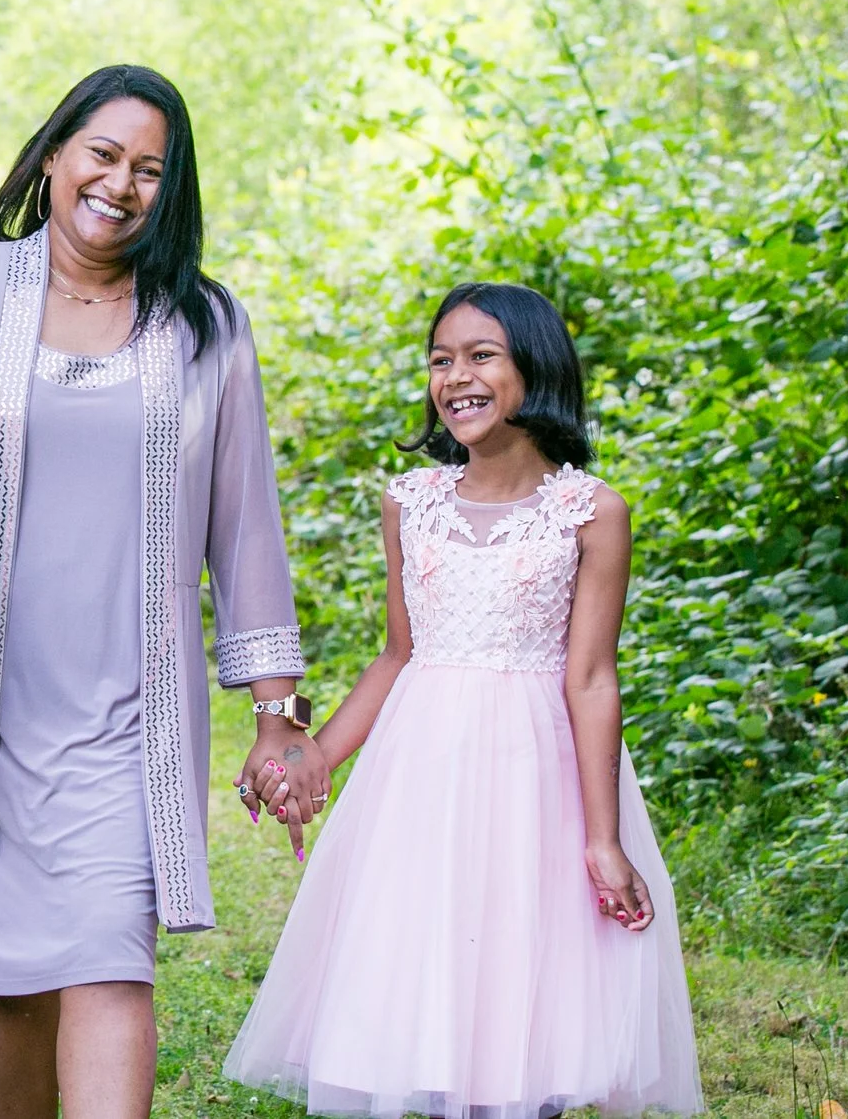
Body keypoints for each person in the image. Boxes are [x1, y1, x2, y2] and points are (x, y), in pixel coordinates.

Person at [0, 65, 321, 1119]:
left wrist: (277, 714)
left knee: (111, 957)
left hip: (132, 714)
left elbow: (245, 524)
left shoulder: (203, 321)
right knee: (6, 977)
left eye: (151, 169)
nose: (120, 183)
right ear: (53, 153)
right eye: (102, 153)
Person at [222, 282, 703, 1117]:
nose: (455, 377)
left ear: (535, 367)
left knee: (528, 982)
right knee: (426, 971)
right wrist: (311, 753)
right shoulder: (410, 502)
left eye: (481, 355)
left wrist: (602, 837)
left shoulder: (591, 511)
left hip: (534, 776)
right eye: (440, 360)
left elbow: (590, 678)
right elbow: (399, 653)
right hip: (423, 774)